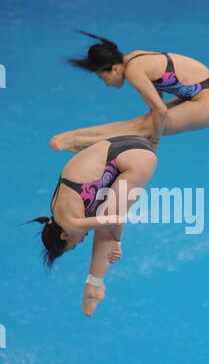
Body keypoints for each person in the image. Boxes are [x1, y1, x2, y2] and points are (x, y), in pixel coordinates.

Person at [28, 135, 158, 316]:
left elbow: (115, 220)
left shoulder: (72, 225)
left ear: (64, 235)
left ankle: (93, 287)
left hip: (139, 158)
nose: (82, 240)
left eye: (75, 245)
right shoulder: (56, 209)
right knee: (100, 217)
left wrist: (117, 243)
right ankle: (94, 286)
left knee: (105, 228)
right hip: (127, 143)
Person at [50, 30, 209, 154]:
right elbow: (158, 89)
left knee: (143, 128)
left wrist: (155, 140)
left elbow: (161, 110)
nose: (107, 84)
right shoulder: (134, 57)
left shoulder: (133, 70)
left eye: (103, 78)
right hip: (199, 95)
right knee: (138, 123)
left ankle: (78, 142)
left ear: (115, 69)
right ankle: (73, 135)